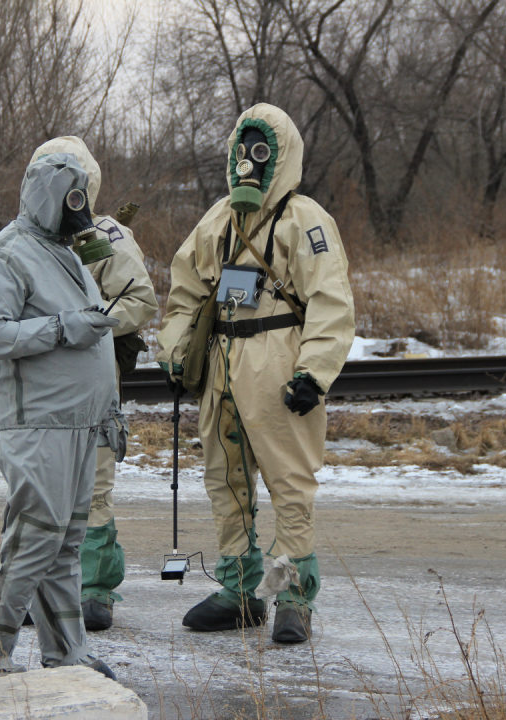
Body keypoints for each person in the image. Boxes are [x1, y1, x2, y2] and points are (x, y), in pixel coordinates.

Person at [156, 103, 355, 644]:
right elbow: (184, 293)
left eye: (262, 151)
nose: (250, 161)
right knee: (227, 479)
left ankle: (291, 595)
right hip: (223, 360)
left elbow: (331, 301)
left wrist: (313, 373)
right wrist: (174, 352)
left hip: (277, 357)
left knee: (288, 479)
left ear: (281, 156)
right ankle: (240, 593)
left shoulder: (305, 220)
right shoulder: (218, 220)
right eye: (243, 149)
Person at [0, 136, 157, 632]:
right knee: (37, 533)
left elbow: (135, 301)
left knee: (74, 528)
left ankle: (78, 627)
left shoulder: (89, 244)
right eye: (63, 188)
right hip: (42, 415)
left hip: (84, 411)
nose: (72, 200)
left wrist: (95, 331)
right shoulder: (9, 253)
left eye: (78, 189)